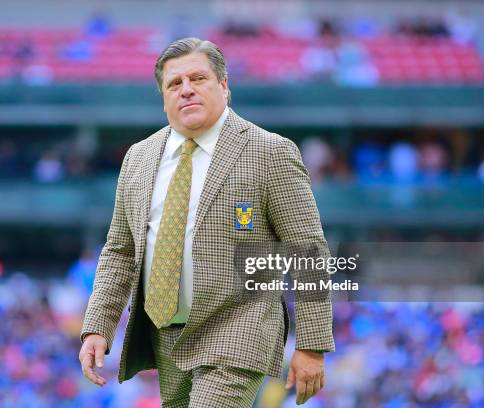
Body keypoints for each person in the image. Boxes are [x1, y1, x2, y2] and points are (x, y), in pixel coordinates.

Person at [79, 37, 335, 407]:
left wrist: (311, 345)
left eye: (198, 78)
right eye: (174, 84)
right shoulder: (138, 158)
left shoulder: (270, 152)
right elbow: (120, 250)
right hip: (166, 336)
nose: (186, 90)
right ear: (163, 96)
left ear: (224, 85)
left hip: (239, 330)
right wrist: (97, 326)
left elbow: (308, 252)